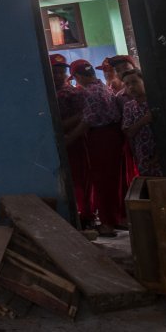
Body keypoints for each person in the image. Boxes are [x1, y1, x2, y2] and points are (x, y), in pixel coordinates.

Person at [70, 58, 127, 235]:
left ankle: (107, 224)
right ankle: (116, 218)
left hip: (101, 138)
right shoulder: (102, 86)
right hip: (114, 135)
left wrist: (69, 138)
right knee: (113, 180)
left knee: (102, 181)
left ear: (77, 76)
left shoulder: (87, 92)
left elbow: (87, 120)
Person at [51, 55, 92, 227]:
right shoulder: (47, 92)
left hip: (73, 140)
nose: (60, 75)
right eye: (56, 72)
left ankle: (85, 215)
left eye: (62, 72)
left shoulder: (74, 93)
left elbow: (84, 116)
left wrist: (61, 127)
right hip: (58, 142)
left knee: (80, 178)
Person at [120, 70, 163, 177]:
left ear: (145, 81)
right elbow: (129, 132)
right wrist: (144, 120)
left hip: (163, 157)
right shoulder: (129, 107)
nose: (130, 87)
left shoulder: (157, 102)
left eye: (134, 82)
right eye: (127, 84)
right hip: (143, 159)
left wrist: (158, 156)